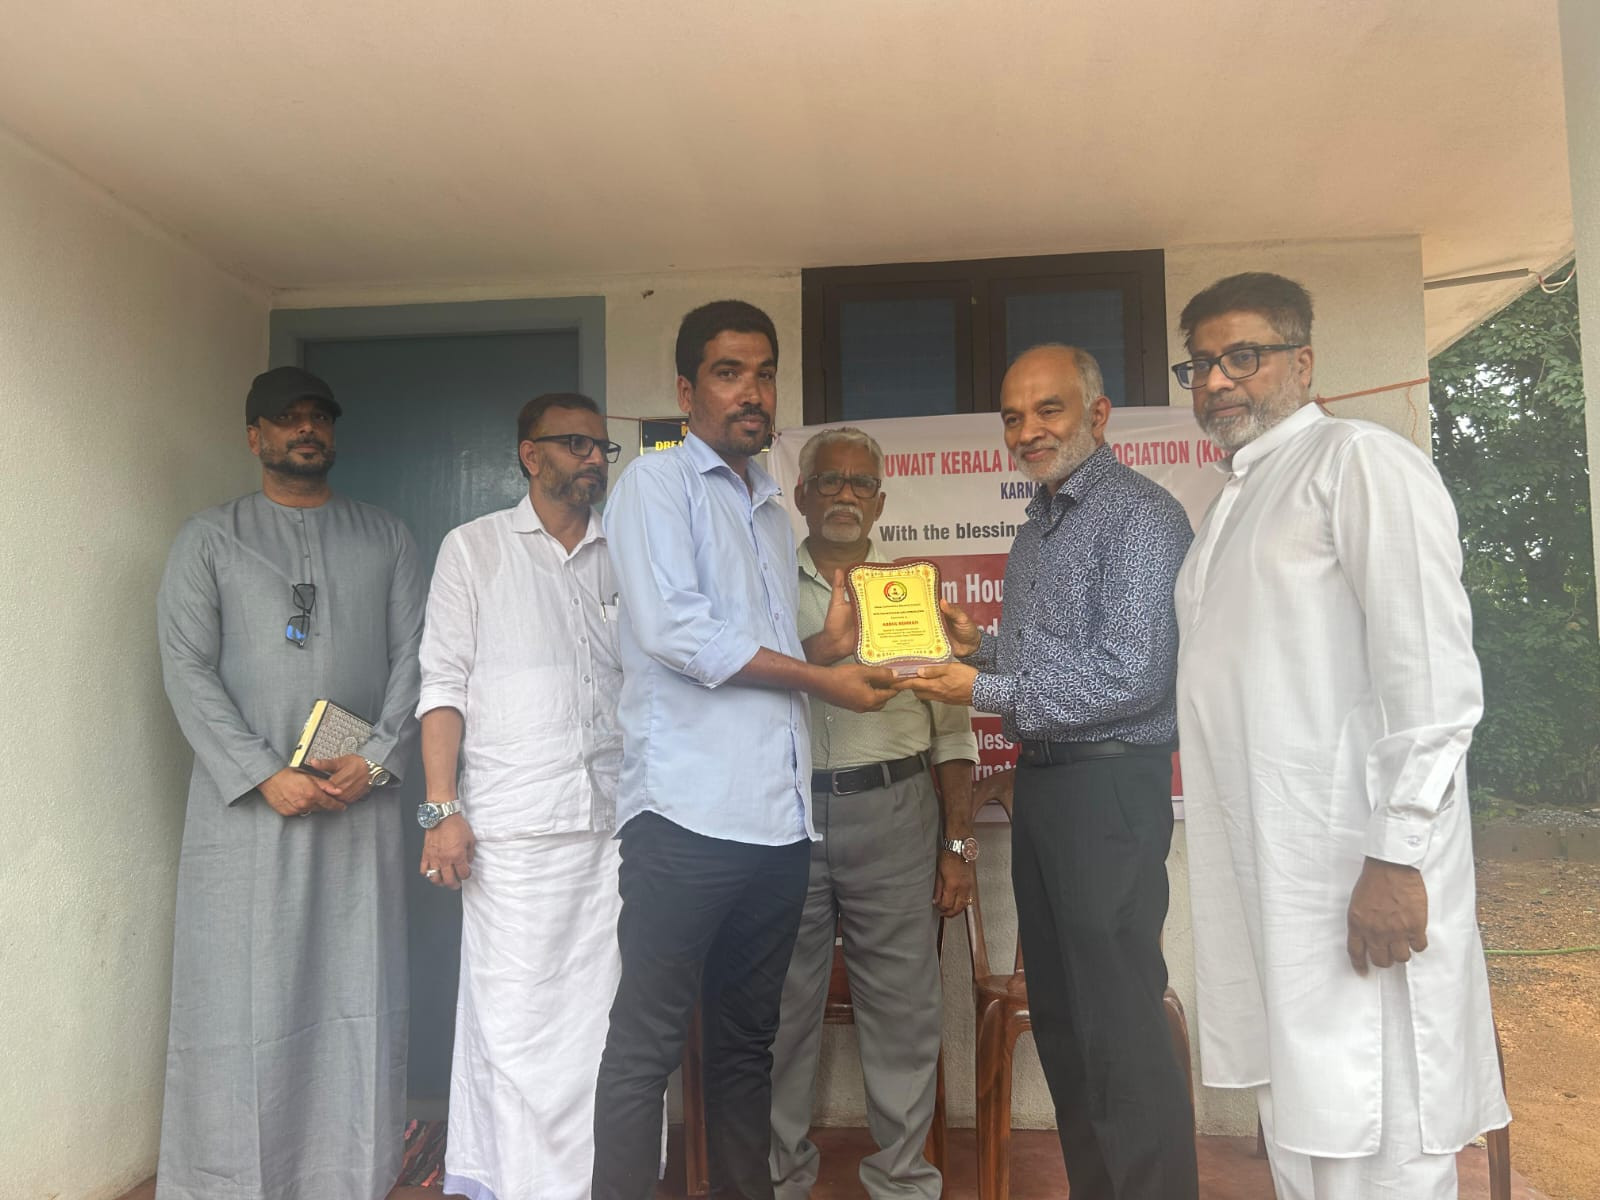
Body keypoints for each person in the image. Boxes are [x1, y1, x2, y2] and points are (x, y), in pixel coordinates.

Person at [1170, 272, 1509, 1199]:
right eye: (1201, 364)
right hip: (1274, 880)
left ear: (1304, 362)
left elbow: (1432, 682)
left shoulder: (1359, 463)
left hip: (1359, 873)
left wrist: (1398, 857)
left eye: (1244, 356)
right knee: (1305, 1125)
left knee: (1382, 1125)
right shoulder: (1233, 501)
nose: (1217, 380)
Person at [591, 300, 897, 1200]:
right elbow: (677, 633)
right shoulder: (656, 484)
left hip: (776, 827)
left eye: (764, 373)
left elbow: (755, 654)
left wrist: (825, 652)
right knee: (646, 1047)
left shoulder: (767, 507)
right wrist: (821, 681)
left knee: (744, 1049)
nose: (751, 391)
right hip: (685, 819)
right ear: (687, 391)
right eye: (728, 373)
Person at [899, 344, 1199, 1200]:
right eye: (1012, 416)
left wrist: (982, 688)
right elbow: (1057, 662)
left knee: (1120, 1028)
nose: (1027, 430)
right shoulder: (1038, 527)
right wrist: (981, 648)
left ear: (1097, 416)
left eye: (1048, 410)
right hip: (1047, 788)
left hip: (1108, 790)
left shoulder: (1141, 517)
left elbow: (1131, 675)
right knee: (1066, 1027)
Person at [155, 365, 425, 1200]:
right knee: (243, 991)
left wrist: (376, 757)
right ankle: (231, 1178)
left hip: (357, 802)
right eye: (286, 418)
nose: (305, 429)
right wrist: (262, 772)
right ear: (255, 436)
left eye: (318, 417)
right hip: (247, 814)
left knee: (357, 983)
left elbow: (419, 660)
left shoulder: (386, 537)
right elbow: (186, 667)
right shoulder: (210, 538)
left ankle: (352, 1169)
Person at [414, 392, 625, 1200]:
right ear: (530, 456)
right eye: (575, 444)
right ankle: (513, 1183)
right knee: (512, 1024)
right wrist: (442, 810)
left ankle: (593, 1184)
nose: (593, 458)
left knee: (601, 1026)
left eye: (601, 447)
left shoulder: (623, 552)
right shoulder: (474, 550)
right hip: (512, 829)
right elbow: (442, 685)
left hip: (614, 826)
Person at [768, 427, 978, 1200]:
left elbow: (952, 732)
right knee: (780, 1011)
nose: (846, 495)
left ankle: (903, 1184)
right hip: (784, 818)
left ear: (881, 501)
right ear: (802, 495)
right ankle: (779, 1179)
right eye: (830, 481)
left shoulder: (912, 595)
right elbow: (735, 684)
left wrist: (958, 844)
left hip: (895, 815)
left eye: (861, 483)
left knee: (903, 1011)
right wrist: (822, 651)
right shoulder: (763, 586)